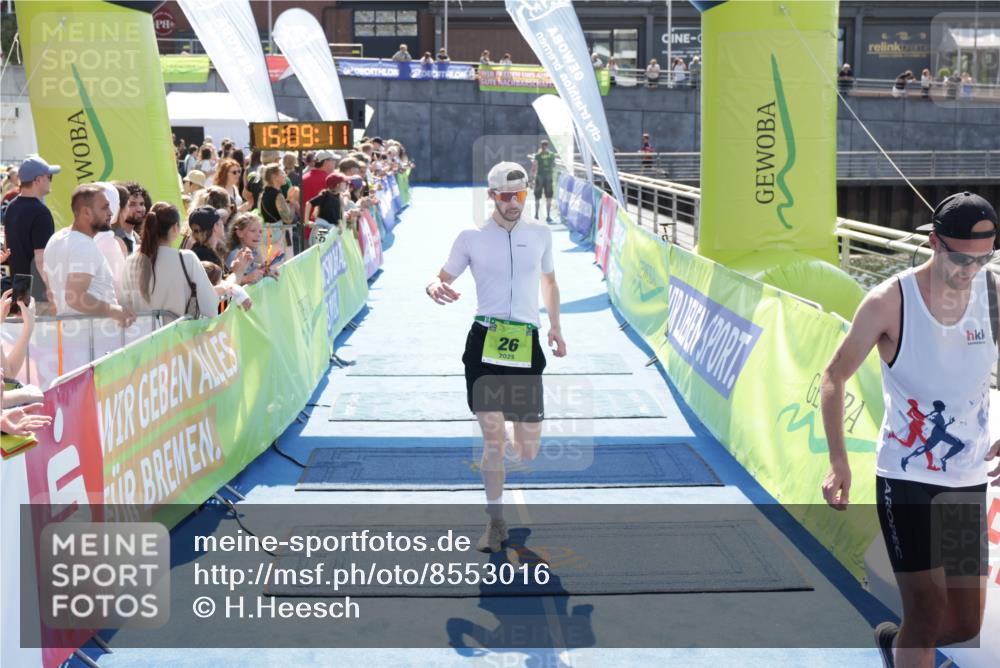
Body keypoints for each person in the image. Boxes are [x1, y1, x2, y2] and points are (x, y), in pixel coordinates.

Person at [820, 192, 1000, 668]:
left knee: (965, 625)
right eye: (962, 259)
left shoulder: (993, 294)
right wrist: (838, 460)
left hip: (967, 481)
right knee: (926, 609)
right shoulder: (889, 302)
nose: (971, 270)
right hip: (907, 479)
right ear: (935, 243)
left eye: (984, 258)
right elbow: (834, 376)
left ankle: (894, 645)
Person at [425, 162, 567, 553]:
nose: (514, 203)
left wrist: (555, 327)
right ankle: (495, 521)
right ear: (491, 195)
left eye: (520, 195)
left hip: (526, 342)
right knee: (492, 440)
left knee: (526, 450)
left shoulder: (540, 233)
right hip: (484, 342)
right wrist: (433, 286)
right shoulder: (470, 236)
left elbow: (549, 281)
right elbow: (441, 276)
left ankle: (509, 431)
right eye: (506, 196)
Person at [42, 184, 135, 326]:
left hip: (73, 331)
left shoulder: (56, 239)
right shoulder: (83, 245)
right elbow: (75, 298)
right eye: (105, 207)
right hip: (92, 334)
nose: (110, 212)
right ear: (86, 212)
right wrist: (114, 311)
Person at [120, 202, 219, 321]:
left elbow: (124, 305)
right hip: (178, 332)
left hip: (141, 331)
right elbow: (211, 307)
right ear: (175, 227)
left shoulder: (131, 262)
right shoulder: (187, 259)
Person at [1, 156, 59, 303]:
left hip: (20, 288)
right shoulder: (41, 213)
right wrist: (52, 290)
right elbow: (41, 259)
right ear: (38, 180)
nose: (50, 181)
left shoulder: (11, 207)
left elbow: (8, 248)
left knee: (22, 319)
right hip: (39, 294)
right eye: (49, 177)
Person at [304, 172, 347, 241]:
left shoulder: (338, 196)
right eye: (344, 183)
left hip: (332, 229)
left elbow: (337, 214)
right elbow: (309, 203)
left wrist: (339, 224)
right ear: (337, 184)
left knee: (330, 247)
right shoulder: (325, 195)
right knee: (320, 245)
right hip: (322, 227)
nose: (346, 184)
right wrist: (306, 221)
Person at [529, 140, 556, 223]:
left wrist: (531, 179)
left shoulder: (538, 155)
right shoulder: (551, 155)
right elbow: (554, 165)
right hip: (548, 177)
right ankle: (548, 216)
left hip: (540, 177)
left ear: (541, 146)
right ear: (547, 146)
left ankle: (536, 214)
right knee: (549, 197)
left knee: (537, 197)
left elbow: (534, 167)